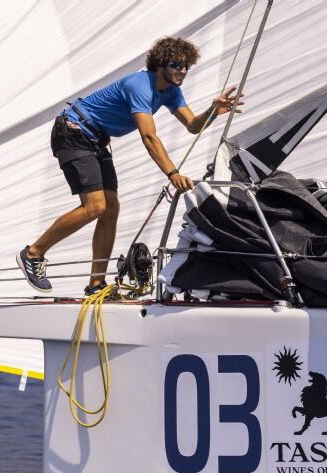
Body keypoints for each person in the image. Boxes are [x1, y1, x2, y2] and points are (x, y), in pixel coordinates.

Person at [17, 36, 243, 294]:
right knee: (95, 206)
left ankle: (96, 284)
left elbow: (192, 126)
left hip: (96, 139)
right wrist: (173, 173)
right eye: (176, 64)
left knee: (111, 208)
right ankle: (33, 253)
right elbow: (148, 136)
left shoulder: (171, 91)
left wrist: (213, 110)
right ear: (160, 64)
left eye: (186, 66)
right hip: (73, 132)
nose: (182, 70)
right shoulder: (139, 85)